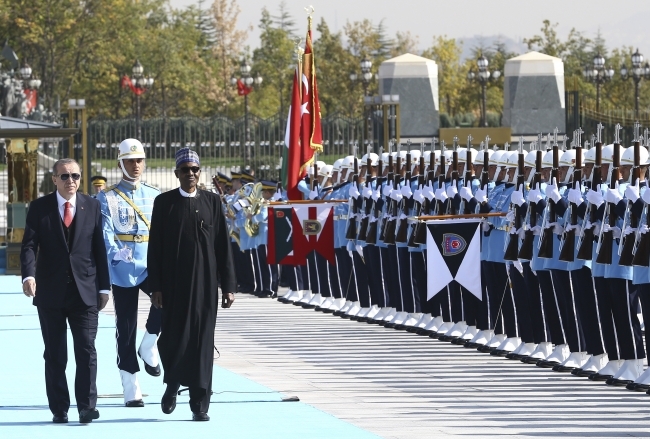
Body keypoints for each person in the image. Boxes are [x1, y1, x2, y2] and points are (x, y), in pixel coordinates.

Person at [148, 147, 237, 421]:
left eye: (195, 169)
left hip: (206, 287)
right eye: (185, 169)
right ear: (176, 173)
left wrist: (229, 285)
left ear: (200, 172)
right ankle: (173, 384)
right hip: (174, 287)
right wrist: (156, 287)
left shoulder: (212, 202)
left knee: (202, 341)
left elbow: (223, 246)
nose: (190, 174)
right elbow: (155, 249)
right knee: (174, 338)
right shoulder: (164, 203)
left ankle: (200, 403)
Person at [20, 158, 110, 424]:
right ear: (54, 180)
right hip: (50, 293)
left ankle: (86, 406)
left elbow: (99, 249)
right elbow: (28, 245)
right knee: (56, 353)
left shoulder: (92, 205)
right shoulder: (39, 208)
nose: (71, 181)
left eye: (75, 176)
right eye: (65, 176)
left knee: (87, 350)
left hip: (85, 291)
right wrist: (28, 275)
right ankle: (60, 407)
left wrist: (104, 287)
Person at [96, 139, 162, 408]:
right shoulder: (107, 197)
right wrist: (117, 254)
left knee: (166, 303)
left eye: (139, 160)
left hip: (149, 264)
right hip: (121, 268)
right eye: (130, 161)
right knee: (125, 327)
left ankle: (148, 343)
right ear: (120, 163)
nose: (136, 166)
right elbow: (106, 233)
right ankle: (130, 381)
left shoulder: (155, 195)